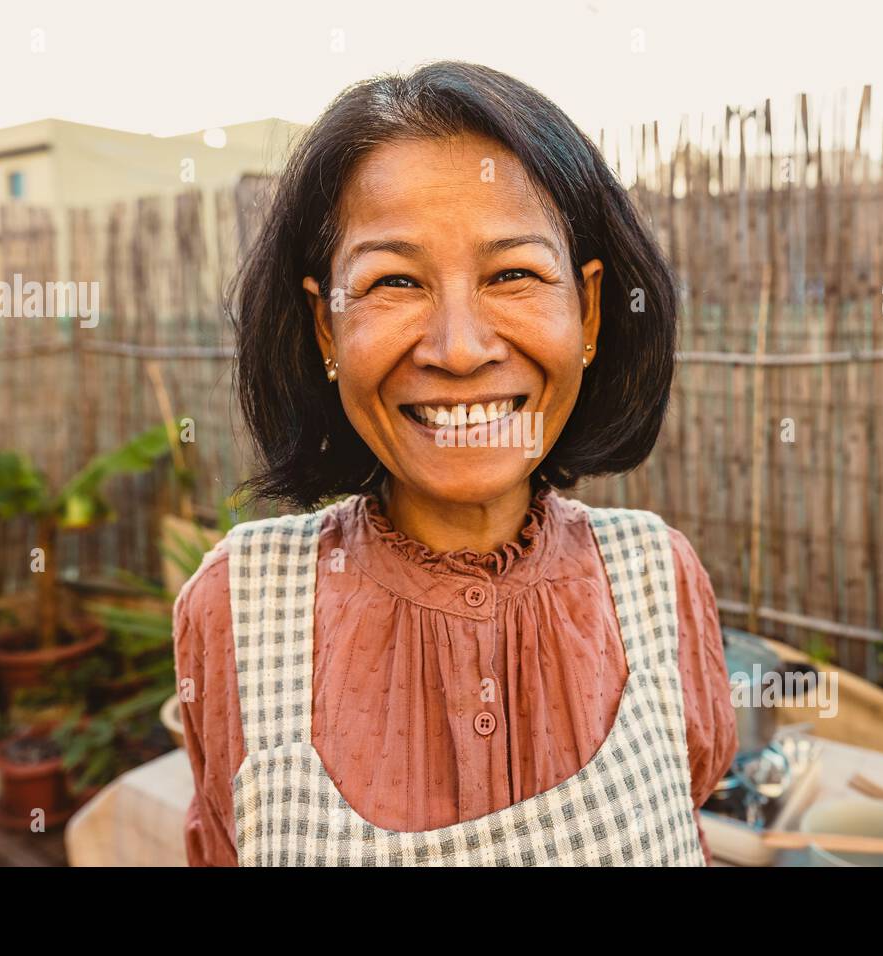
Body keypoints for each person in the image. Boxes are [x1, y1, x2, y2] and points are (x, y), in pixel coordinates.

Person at [173, 61, 737, 866]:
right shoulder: (235, 611)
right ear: (327, 331)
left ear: (590, 310)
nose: (460, 349)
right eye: (393, 282)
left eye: (513, 274)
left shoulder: (659, 583)